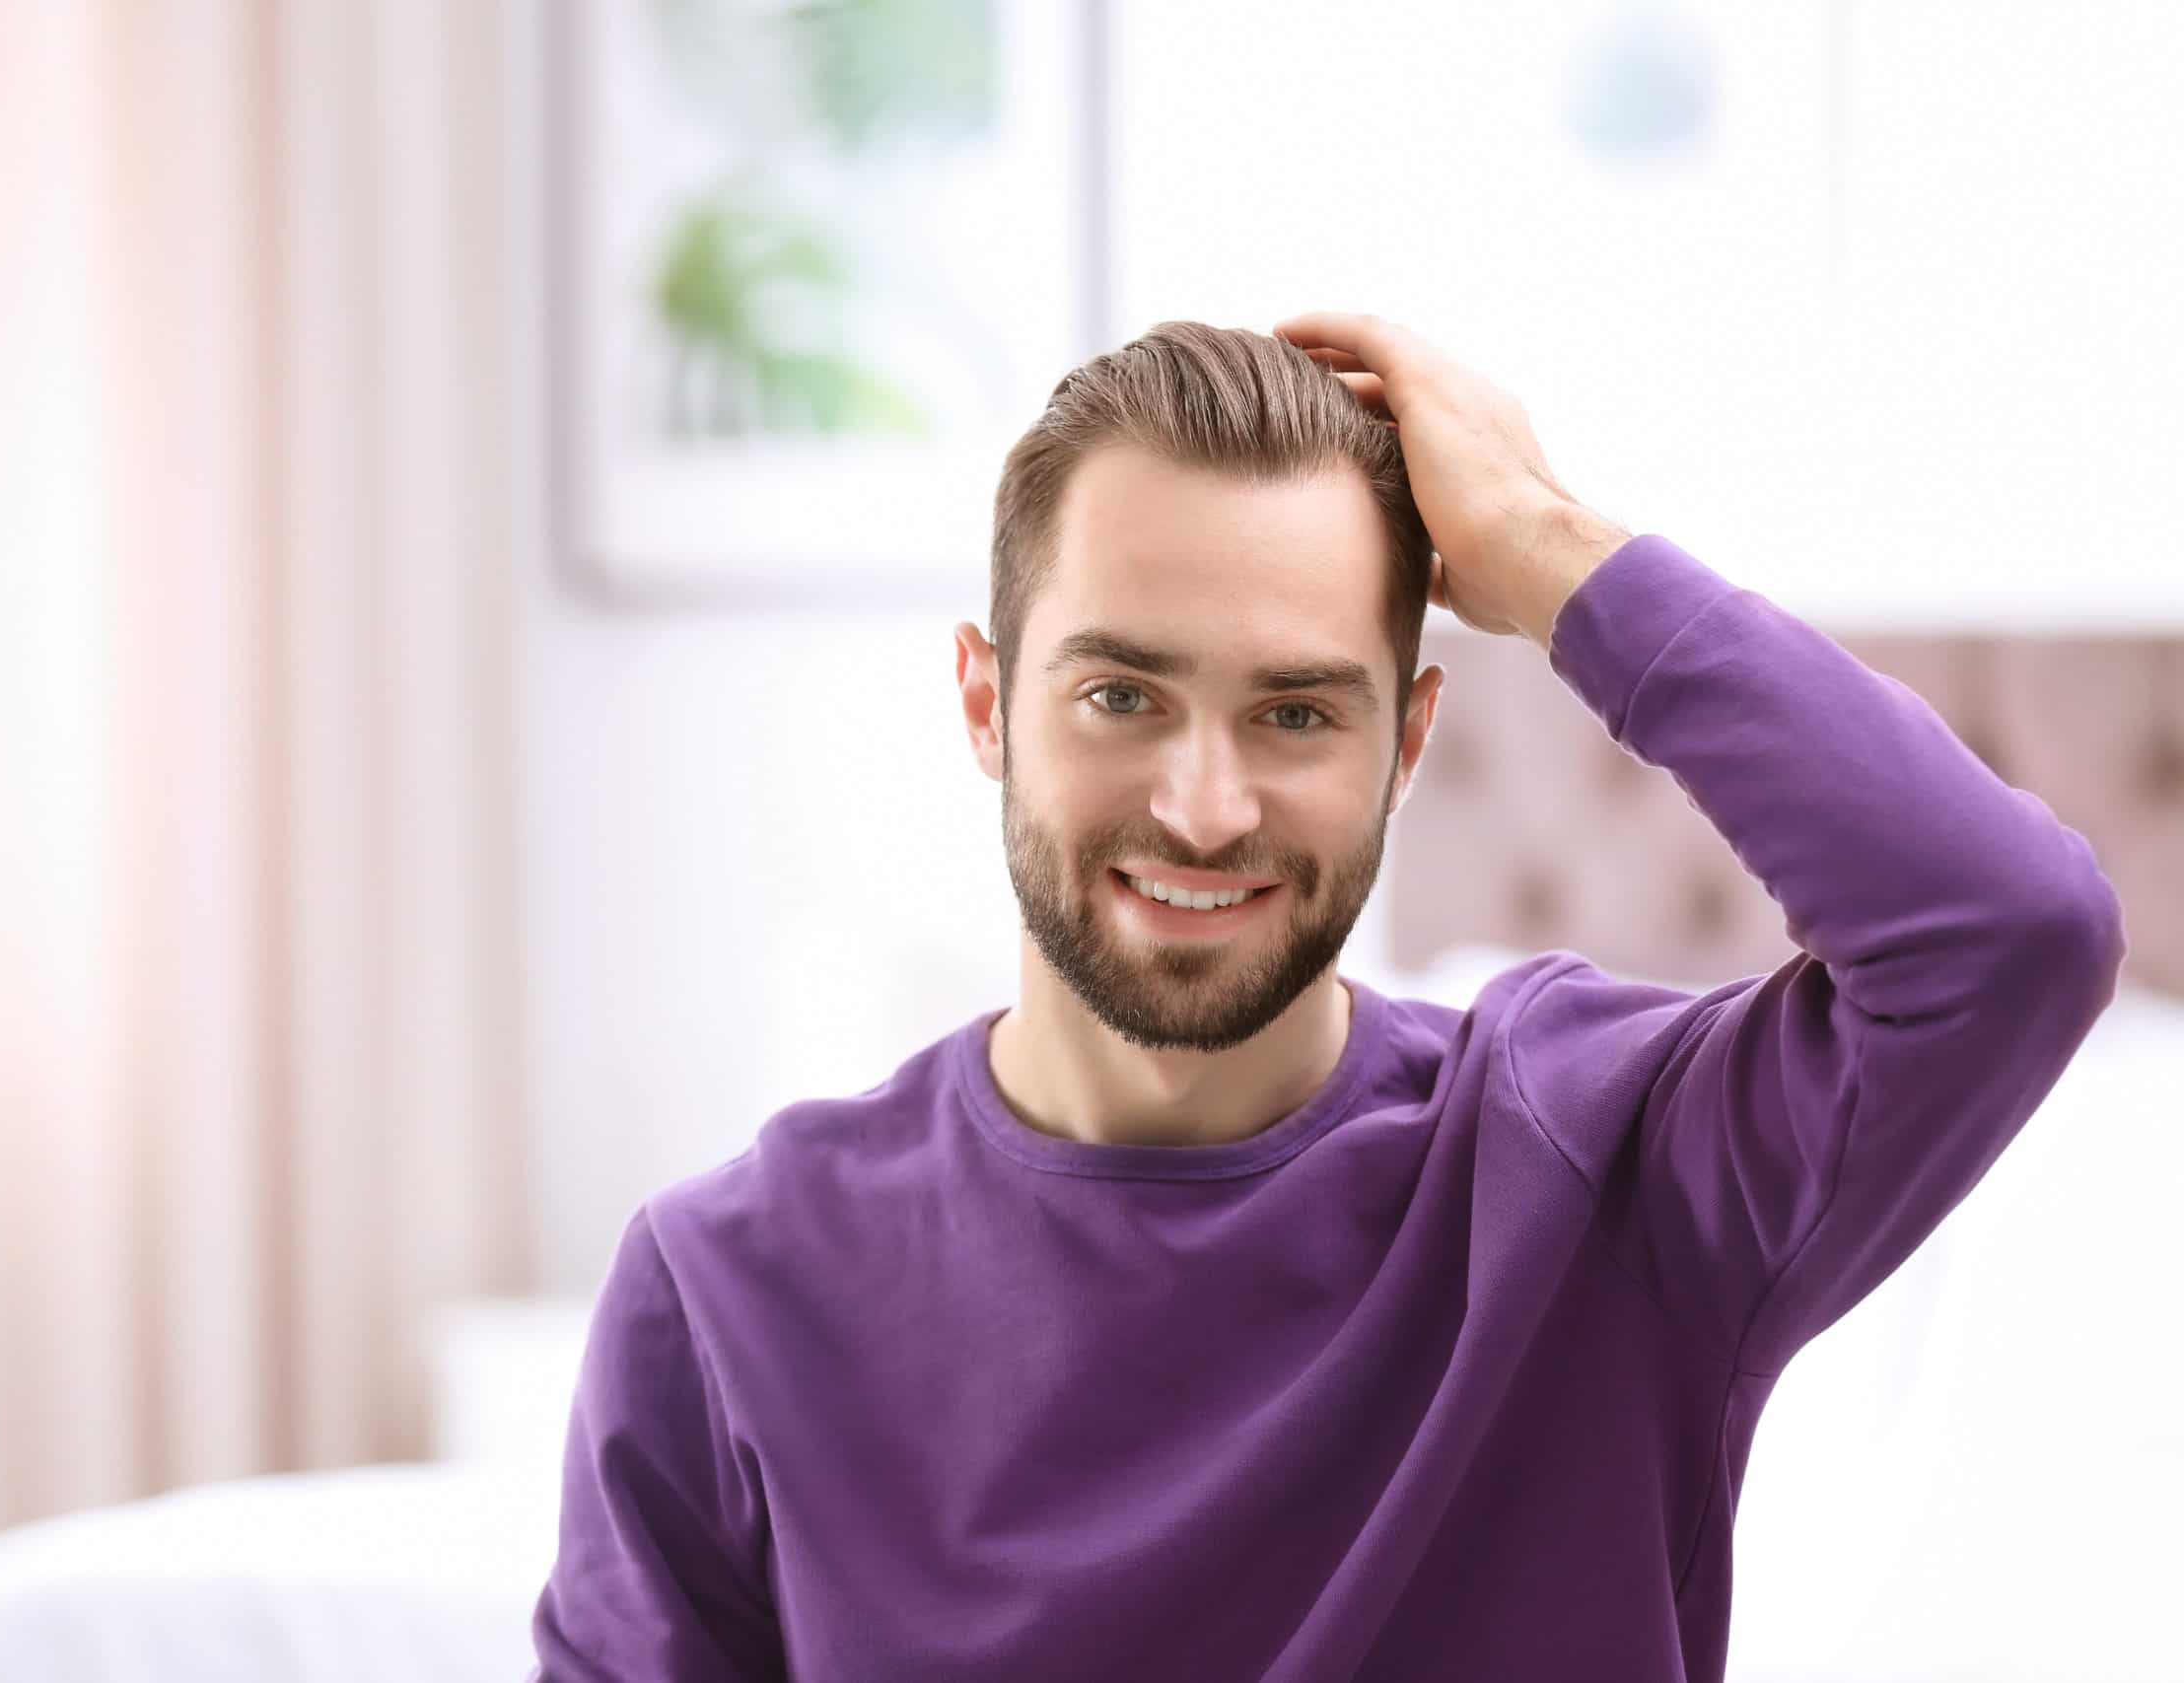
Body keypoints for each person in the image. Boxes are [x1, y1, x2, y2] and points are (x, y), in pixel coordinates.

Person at [528, 315, 2126, 1679]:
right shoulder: (730, 1286)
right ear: (984, 702)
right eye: (1119, 695)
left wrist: (1547, 544)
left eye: (1294, 712)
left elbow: (2010, 931)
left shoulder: (1602, 1169)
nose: (1205, 804)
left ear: (1409, 740)